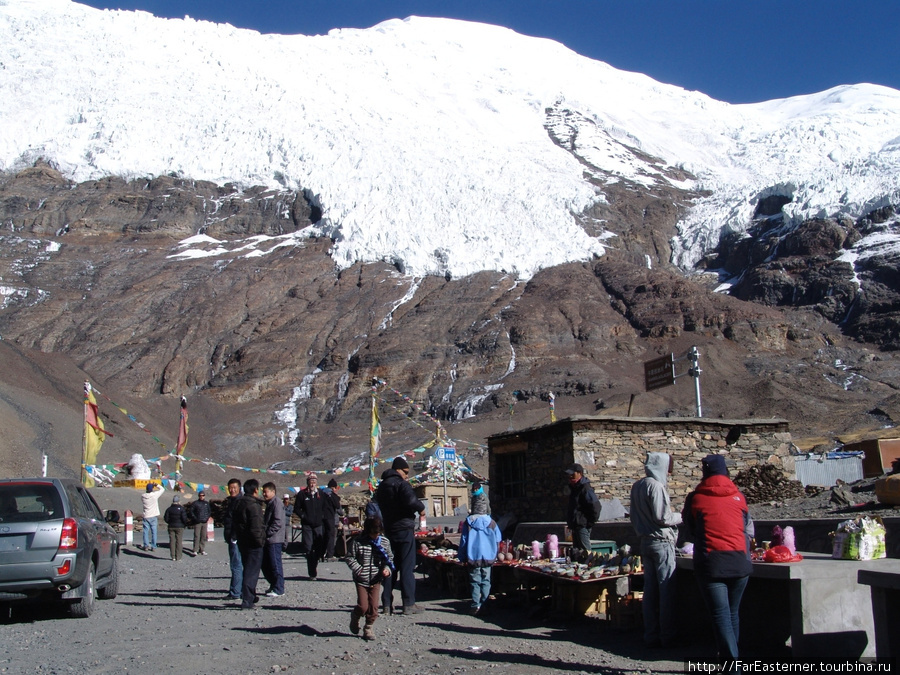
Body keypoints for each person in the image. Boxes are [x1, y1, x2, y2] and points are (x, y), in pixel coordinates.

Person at [682, 454, 754, 661]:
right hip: (741, 562)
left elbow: (691, 530)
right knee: (732, 614)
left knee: (720, 615)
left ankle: (732, 664)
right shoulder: (739, 497)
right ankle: (731, 661)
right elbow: (746, 527)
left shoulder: (696, 498)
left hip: (711, 563)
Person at [630, 452, 682, 648]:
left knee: (650, 590)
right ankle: (668, 634)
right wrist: (681, 516)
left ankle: (650, 633)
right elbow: (663, 517)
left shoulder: (638, 486)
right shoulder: (656, 486)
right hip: (661, 541)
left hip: (645, 541)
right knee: (666, 589)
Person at [375, 456, 426, 615]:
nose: (406, 475)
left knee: (390, 565)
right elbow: (411, 500)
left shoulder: (382, 486)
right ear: (398, 470)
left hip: (389, 529)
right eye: (405, 471)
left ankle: (387, 604)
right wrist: (421, 508)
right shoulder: (401, 484)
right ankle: (408, 603)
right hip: (404, 529)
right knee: (407, 566)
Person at [346, 516, 394, 641]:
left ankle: (368, 627)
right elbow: (350, 558)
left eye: (377, 533)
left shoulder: (384, 542)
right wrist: (359, 569)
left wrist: (387, 569)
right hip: (361, 579)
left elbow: (389, 558)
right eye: (373, 533)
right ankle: (355, 616)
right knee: (363, 606)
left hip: (376, 579)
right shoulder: (358, 542)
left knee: (374, 607)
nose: (375, 536)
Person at [458, 485, 502, 615]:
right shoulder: (492, 523)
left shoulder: (468, 523)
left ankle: (475, 604)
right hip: (489, 556)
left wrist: (461, 556)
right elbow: (498, 539)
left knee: (475, 581)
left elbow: (464, 541)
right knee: (486, 580)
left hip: (473, 556)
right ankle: (485, 602)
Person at [232, 478, 266, 609]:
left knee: (248, 568)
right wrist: (260, 541)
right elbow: (256, 527)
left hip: (242, 541)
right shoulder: (253, 505)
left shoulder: (238, 503)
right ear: (255, 490)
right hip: (253, 543)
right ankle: (247, 599)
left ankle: (251, 595)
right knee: (252, 572)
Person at [295, 474, 328, 580]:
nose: (312, 483)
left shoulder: (321, 494)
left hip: (318, 525)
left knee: (318, 549)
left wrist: (322, 516)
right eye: (310, 481)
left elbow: (325, 507)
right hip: (307, 525)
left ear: (316, 482)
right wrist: (303, 516)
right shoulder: (302, 494)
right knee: (308, 548)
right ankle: (312, 572)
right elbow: (296, 508)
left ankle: (315, 563)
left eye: (314, 481)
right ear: (307, 482)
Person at [565, 463, 601, 552]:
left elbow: (596, 506)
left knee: (586, 552)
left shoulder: (585, 488)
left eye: (572, 474)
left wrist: (589, 523)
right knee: (577, 553)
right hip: (575, 526)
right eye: (569, 474)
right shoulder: (574, 488)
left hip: (582, 526)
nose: (570, 477)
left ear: (579, 473)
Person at [261, 482, 285, 597]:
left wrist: (267, 533)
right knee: (268, 564)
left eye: (266, 491)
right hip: (269, 539)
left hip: (274, 539)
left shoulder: (277, 503)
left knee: (275, 564)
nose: (264, 494)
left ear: (273, 492)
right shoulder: (269, 503)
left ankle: (279, 588)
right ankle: (274, 585)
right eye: (263, 492)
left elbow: (278, 522)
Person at [222, 478, 243, 600]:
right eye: (230, 488)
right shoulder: (232, 501)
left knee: (236, 565)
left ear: (239, 488)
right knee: (236, 564)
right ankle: (237, 589)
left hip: (236, 538)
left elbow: (238, 520)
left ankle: (235, 591)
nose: (232, 490)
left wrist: (234, 537)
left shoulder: (239, 502)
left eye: (234, 487)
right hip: (232, 537)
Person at [163, 493, 188, 561]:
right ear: (179, 501)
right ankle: (178, 556)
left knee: (172, 541)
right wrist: (183, 524)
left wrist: (170, 522)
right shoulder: (182, 509)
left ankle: (173, 556)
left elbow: (166, 518)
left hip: (171, 526)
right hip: (180, 527)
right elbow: (184, 519)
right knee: (179, 541)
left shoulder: (169, 509)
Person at [323, 478, 344, 561]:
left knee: (324, 536)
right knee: (332, 537)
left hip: (322, 519)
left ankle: (322, 553)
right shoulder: (333, 496)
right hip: (333, 519)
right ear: (333, 488)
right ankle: (330, 554)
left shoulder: (322, 494)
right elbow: (340, 511)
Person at [140, 482, 164, 551]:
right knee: (154, 532)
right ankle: (153, 546)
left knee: (145, 531)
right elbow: (162, 489)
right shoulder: (154, 495)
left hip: (146, 515)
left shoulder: (143, 496)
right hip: (153, 515)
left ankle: (146, 545)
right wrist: (157, 485)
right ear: (152, 489)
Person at [189, 490, 211, 556]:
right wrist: (195, 519)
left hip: (204, 522)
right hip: (197, 522)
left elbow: (209, 512)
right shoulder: (195, 503)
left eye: (203, 495)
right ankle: (195, 550)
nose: (202, 496)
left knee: (203, 536)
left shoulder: (207, 503)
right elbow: (191, 512)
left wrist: (207, 518)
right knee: (196, 536)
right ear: (198, 496)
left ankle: (202, 549)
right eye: (200, 495)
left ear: (204, 496)